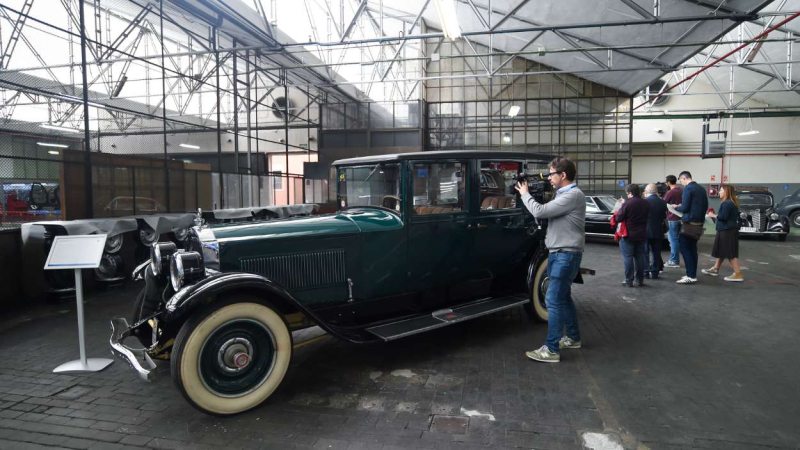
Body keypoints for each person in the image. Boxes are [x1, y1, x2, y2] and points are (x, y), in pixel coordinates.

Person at [515, 157, 585, 363]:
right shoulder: (563, 195)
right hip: (559, 253)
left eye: (551, 174)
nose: (548, 179)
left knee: (553, 300)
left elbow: (540, 211)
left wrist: (525, 194)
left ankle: (551, 349)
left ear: (563, 175)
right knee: (563, 298)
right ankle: (573, 337)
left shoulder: (572, 195)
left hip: (565, 255)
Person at [704, 185, 744, 282]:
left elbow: (723, 217)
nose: (719, 192)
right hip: (728, 229)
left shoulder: (726, 203)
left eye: (721, 190)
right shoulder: (731, 203)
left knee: (730, 252)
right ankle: (715, 268)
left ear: (726, 192)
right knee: (722, 250)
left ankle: (738, 274)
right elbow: (725, 216)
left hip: (727, 231)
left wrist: (712, 215)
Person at [674, 171, 708, 284]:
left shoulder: (688, 189)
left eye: (680, 181)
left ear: (684, 178)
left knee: (684, 248)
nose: (681, 183)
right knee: (692, 249)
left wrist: (676, 207)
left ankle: (690, 275)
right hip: (699, 223)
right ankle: (692, 274)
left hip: (689, 223)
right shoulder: (702, 189)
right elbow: (706, 206)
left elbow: (685, 207)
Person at [614, 184, 650, 287]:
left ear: (630, 193)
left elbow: (619, 218)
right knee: (640, 257)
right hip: (642, 234)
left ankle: (629, 280)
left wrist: (619, 209)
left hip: (628, 235)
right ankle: (639, 280)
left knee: (628, 257)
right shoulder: (646, 203)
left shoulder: (627, 204)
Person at [644, 184, 667, 279]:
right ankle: (655, 272)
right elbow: (664, 217)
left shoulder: (644, 202)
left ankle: (645, 272)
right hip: (658, 230)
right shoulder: (663, 202)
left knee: (645, 252)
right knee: (656, 252)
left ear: (647, 191)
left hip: (645, 231)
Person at [663, 175, 683, 268]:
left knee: (673, 240)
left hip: (672, 219)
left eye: (666, 182)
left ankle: (674, 261)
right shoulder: (681, 190)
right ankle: (673, 259)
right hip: (681, 218)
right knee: (676, 239)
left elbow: (663, 204)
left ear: (669, 182)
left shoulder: (670, 192)